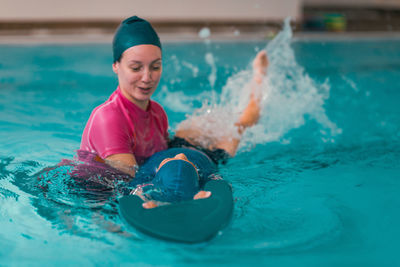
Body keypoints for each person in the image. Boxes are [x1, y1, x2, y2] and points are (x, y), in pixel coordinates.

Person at [131, 49, 269, 208]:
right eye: (183, 160)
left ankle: (259, 76)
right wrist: (205, 197)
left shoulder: (148, 174)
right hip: (215, 155)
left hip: (178, 142)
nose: (181, 155)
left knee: (205, 121)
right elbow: (221, 190)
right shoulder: (208, 176)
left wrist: (144, 198)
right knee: (242, 124)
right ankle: (260, 78)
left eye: (172, 160)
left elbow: (135, 190)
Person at [80, 16, 168, 176]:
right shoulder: (108, 118)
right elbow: (129, 182)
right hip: (89, 195)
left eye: (155, 67)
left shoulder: (158, 113)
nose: (147, 77)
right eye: (136, 68)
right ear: (116, 66)